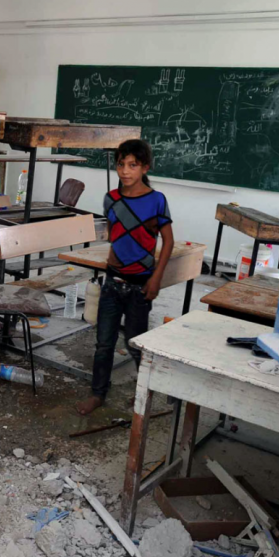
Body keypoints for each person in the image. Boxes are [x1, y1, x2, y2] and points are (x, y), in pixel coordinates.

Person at [76, 139, 173, 415]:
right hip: (112, 282)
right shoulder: (111, 198)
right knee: (103, 343)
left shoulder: (156, 200)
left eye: (133, 165)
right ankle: (98, 394)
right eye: (121, 164)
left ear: (145, 167)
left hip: (141, 286)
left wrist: (156, 279)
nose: (125, 171)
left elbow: (167, 241)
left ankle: (147, 394)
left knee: (136, 342)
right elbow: (114, 234)